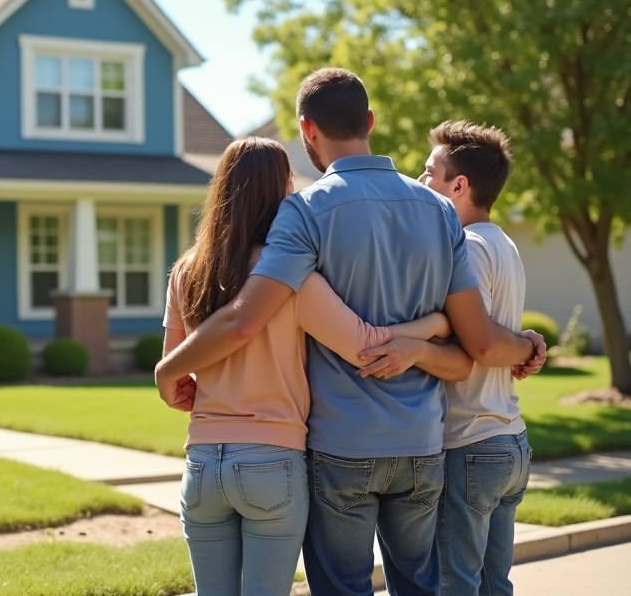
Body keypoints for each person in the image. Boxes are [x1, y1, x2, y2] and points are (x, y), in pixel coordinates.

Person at [156, 68, 546, 596]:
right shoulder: (439, 211)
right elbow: (470, 347)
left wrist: (168, 369)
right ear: (369, 120)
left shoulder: (302, 213)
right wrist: (447, 337)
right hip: (421, 442)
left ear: (306, 130)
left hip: (337, 445)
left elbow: (246, 317)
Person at [164, 135, 450, 596]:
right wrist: (435, 323)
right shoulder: (290, 278)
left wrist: (170, 379)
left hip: (201, 463)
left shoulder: (186, 272)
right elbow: (366, 345)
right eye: (288, 179)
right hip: (271, 463)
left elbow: (177, 367)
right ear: (278, 190)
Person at [418, 121, 532, 596]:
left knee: (455, 586)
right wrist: (527, 346)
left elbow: (481, 343)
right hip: (510, 442)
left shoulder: (470, 247)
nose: (421, 182)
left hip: (470, 445)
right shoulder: (504, 243)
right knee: (493, 587)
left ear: (458, 185)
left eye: (430, 173)